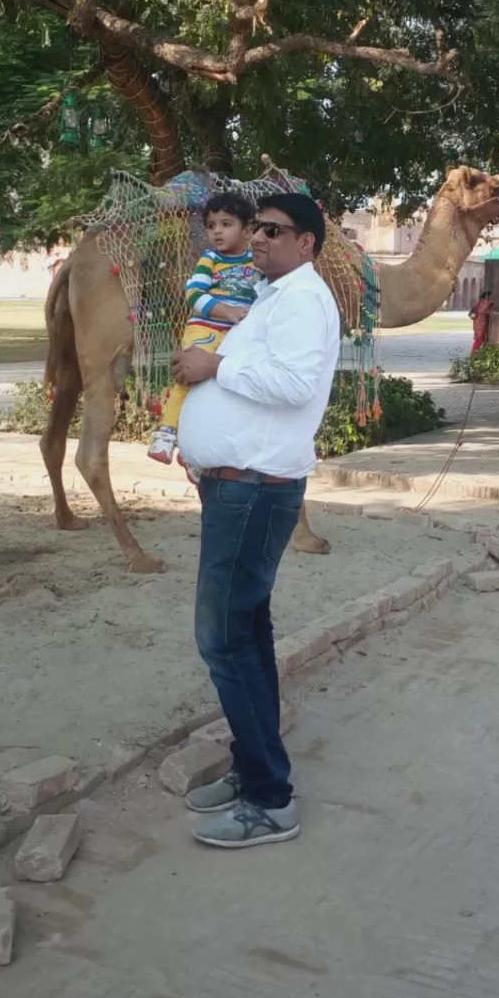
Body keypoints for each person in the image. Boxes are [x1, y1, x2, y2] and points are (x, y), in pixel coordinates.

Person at [173, 191, 340, 849]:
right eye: (259, 228)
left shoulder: (303, 298)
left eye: (276, 230)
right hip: (238, 484)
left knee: (222, 638)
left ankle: (272, 801)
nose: (262, 238)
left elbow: (296, 385)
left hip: (256, 487)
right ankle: (254, 771)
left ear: (308, 244)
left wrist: (216, 364)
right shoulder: (273, 296)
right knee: (248, 632)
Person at [147, 193, 261, 466]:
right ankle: (166, 433)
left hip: (236, 334)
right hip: (206, 327)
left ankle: (194, 451)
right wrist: (228, 312)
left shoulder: (256, 263)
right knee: (189, 378)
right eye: (211, 226)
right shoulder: (210, 259)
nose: (217, 231)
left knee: (220, 388)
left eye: (226, 224)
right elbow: (194, 294)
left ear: (246, 229)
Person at [469, 290, 494, 354]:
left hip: (480, 322)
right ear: (486, 296)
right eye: (490, 296)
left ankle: (477, 353)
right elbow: (481, 311)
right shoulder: (484, 302)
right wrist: (489, 304)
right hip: (481, 322)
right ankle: (474, 353)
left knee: (482, 338)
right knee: (479, 339)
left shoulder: (481, 302)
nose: (491, 298)